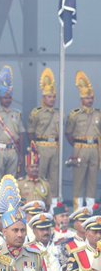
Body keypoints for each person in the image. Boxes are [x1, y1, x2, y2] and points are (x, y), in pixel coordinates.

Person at [0, 67, 26, 188]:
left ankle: (9, 202)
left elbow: (21, 134)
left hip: (13, 150)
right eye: (5, 97)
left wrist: (21, 154)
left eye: (9, 97)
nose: (7, 100)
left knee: (11, 179)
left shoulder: (17, 114)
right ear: (0, 98)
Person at [67, 72, 101, 210]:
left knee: (92, 180)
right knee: (79, 180)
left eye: (91, 98)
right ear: (82, 99)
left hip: (94, 148)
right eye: (87, 98)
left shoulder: (98, 114)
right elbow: (68, 133)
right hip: (80, 147)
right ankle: (78, 209)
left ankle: (91, 209)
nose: (90, 100)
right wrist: (76, 145)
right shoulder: (74, 114)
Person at [29, 69, 62, 196]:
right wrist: (34, 147)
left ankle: (53, 203)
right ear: (43, 97)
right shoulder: (36, 112)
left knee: (54, 176)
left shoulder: (59, 113)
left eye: (54, 97)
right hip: (41, 146)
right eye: (49, 96)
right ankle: (39, 200)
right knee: (40, 174)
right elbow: (31, 132)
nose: (52, 99)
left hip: (54, 146)